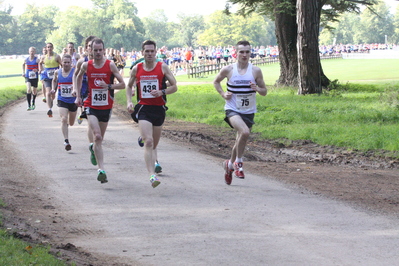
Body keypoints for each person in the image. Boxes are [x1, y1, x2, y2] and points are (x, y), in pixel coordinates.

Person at [213, 40, 267, 185]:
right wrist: (223, 94)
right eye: (241, 52)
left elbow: (264, 92)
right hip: (232, 109)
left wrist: (257, 88)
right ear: (236, 53)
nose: (244, 54)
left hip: (248, 111)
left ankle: (229, 165)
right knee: (244, 132)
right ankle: (239, 163)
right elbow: (216, 82)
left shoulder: (255, 71)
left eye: (247, 52)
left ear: (251, 53)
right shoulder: (228, 69)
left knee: (240, 139)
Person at [126, 40, 177, 188]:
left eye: (152, 51)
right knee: (148, 142)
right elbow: (129, 86)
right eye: (146, 51)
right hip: (143, 109)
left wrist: (161, 92)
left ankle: (152, 157)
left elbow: (174, 86)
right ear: (142, 53)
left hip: (159, 109)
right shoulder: (137, 69)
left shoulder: (163, 67)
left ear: (156, 52)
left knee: (154, 143)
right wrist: (129, 101)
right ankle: (152, 175)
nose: (149, 54)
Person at [74, 38, 125, 184]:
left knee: (99, 139)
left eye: (100, 50)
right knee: (97, 136)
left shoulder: (110, 65)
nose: (97, 53)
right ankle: (101, 169)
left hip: (106, 105)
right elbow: (77, 77)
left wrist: (108, 86)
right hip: (91, 105)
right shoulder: (86, 65)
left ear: (104, 50)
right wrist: (78, 95)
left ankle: (93, 148)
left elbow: (122, 84)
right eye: (95, 50)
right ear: (91, 50)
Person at [52, 54, 77, 151]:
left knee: (70, 123)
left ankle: (66, 126)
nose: (66, 64)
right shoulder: (57, 72)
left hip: (72, 100)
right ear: (61, 62)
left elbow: (77, 82)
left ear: (71, 63)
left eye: (68, 62)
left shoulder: (74, 72)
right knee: (63, 119)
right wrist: (54, 89)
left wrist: (74, 89)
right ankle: (66, 141)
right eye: (64, 62)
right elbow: (54, 81)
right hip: (62, 99)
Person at [74, 35, 96, 125]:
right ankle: (82, 113)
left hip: (96, 89)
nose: (91, 48)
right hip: (84, 87)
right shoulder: (81, 62)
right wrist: (75, 88)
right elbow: (75, 75)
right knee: (88, 111)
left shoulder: (102, 62)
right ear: (86, 48)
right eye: (89, 46)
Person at [39, 42, 62, 118]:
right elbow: (40, 63)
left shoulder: (57, 56)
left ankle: (51, 103)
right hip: (46, 77)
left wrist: (60, 72)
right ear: (46, 48)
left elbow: (62, 65)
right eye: (48, 47)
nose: (49, 48)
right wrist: (41, 70)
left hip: (55, 78)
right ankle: (49, 109)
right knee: (48, 93)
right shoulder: (43, 57)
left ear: (53, 48)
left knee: (52, 94)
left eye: (50, 47)